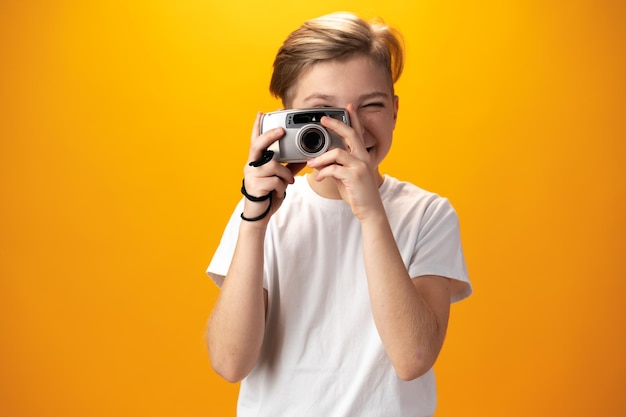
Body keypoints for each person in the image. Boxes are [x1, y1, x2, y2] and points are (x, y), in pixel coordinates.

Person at [206, 12, 472, 417]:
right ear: (287, 122)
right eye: (324, 112)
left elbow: (412, 356)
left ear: (396, 110)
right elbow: (229, 362)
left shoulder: (427, 215)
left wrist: (371, 214)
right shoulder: (260, 212)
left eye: (372, 105)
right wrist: (254, 224)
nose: (351, 128)